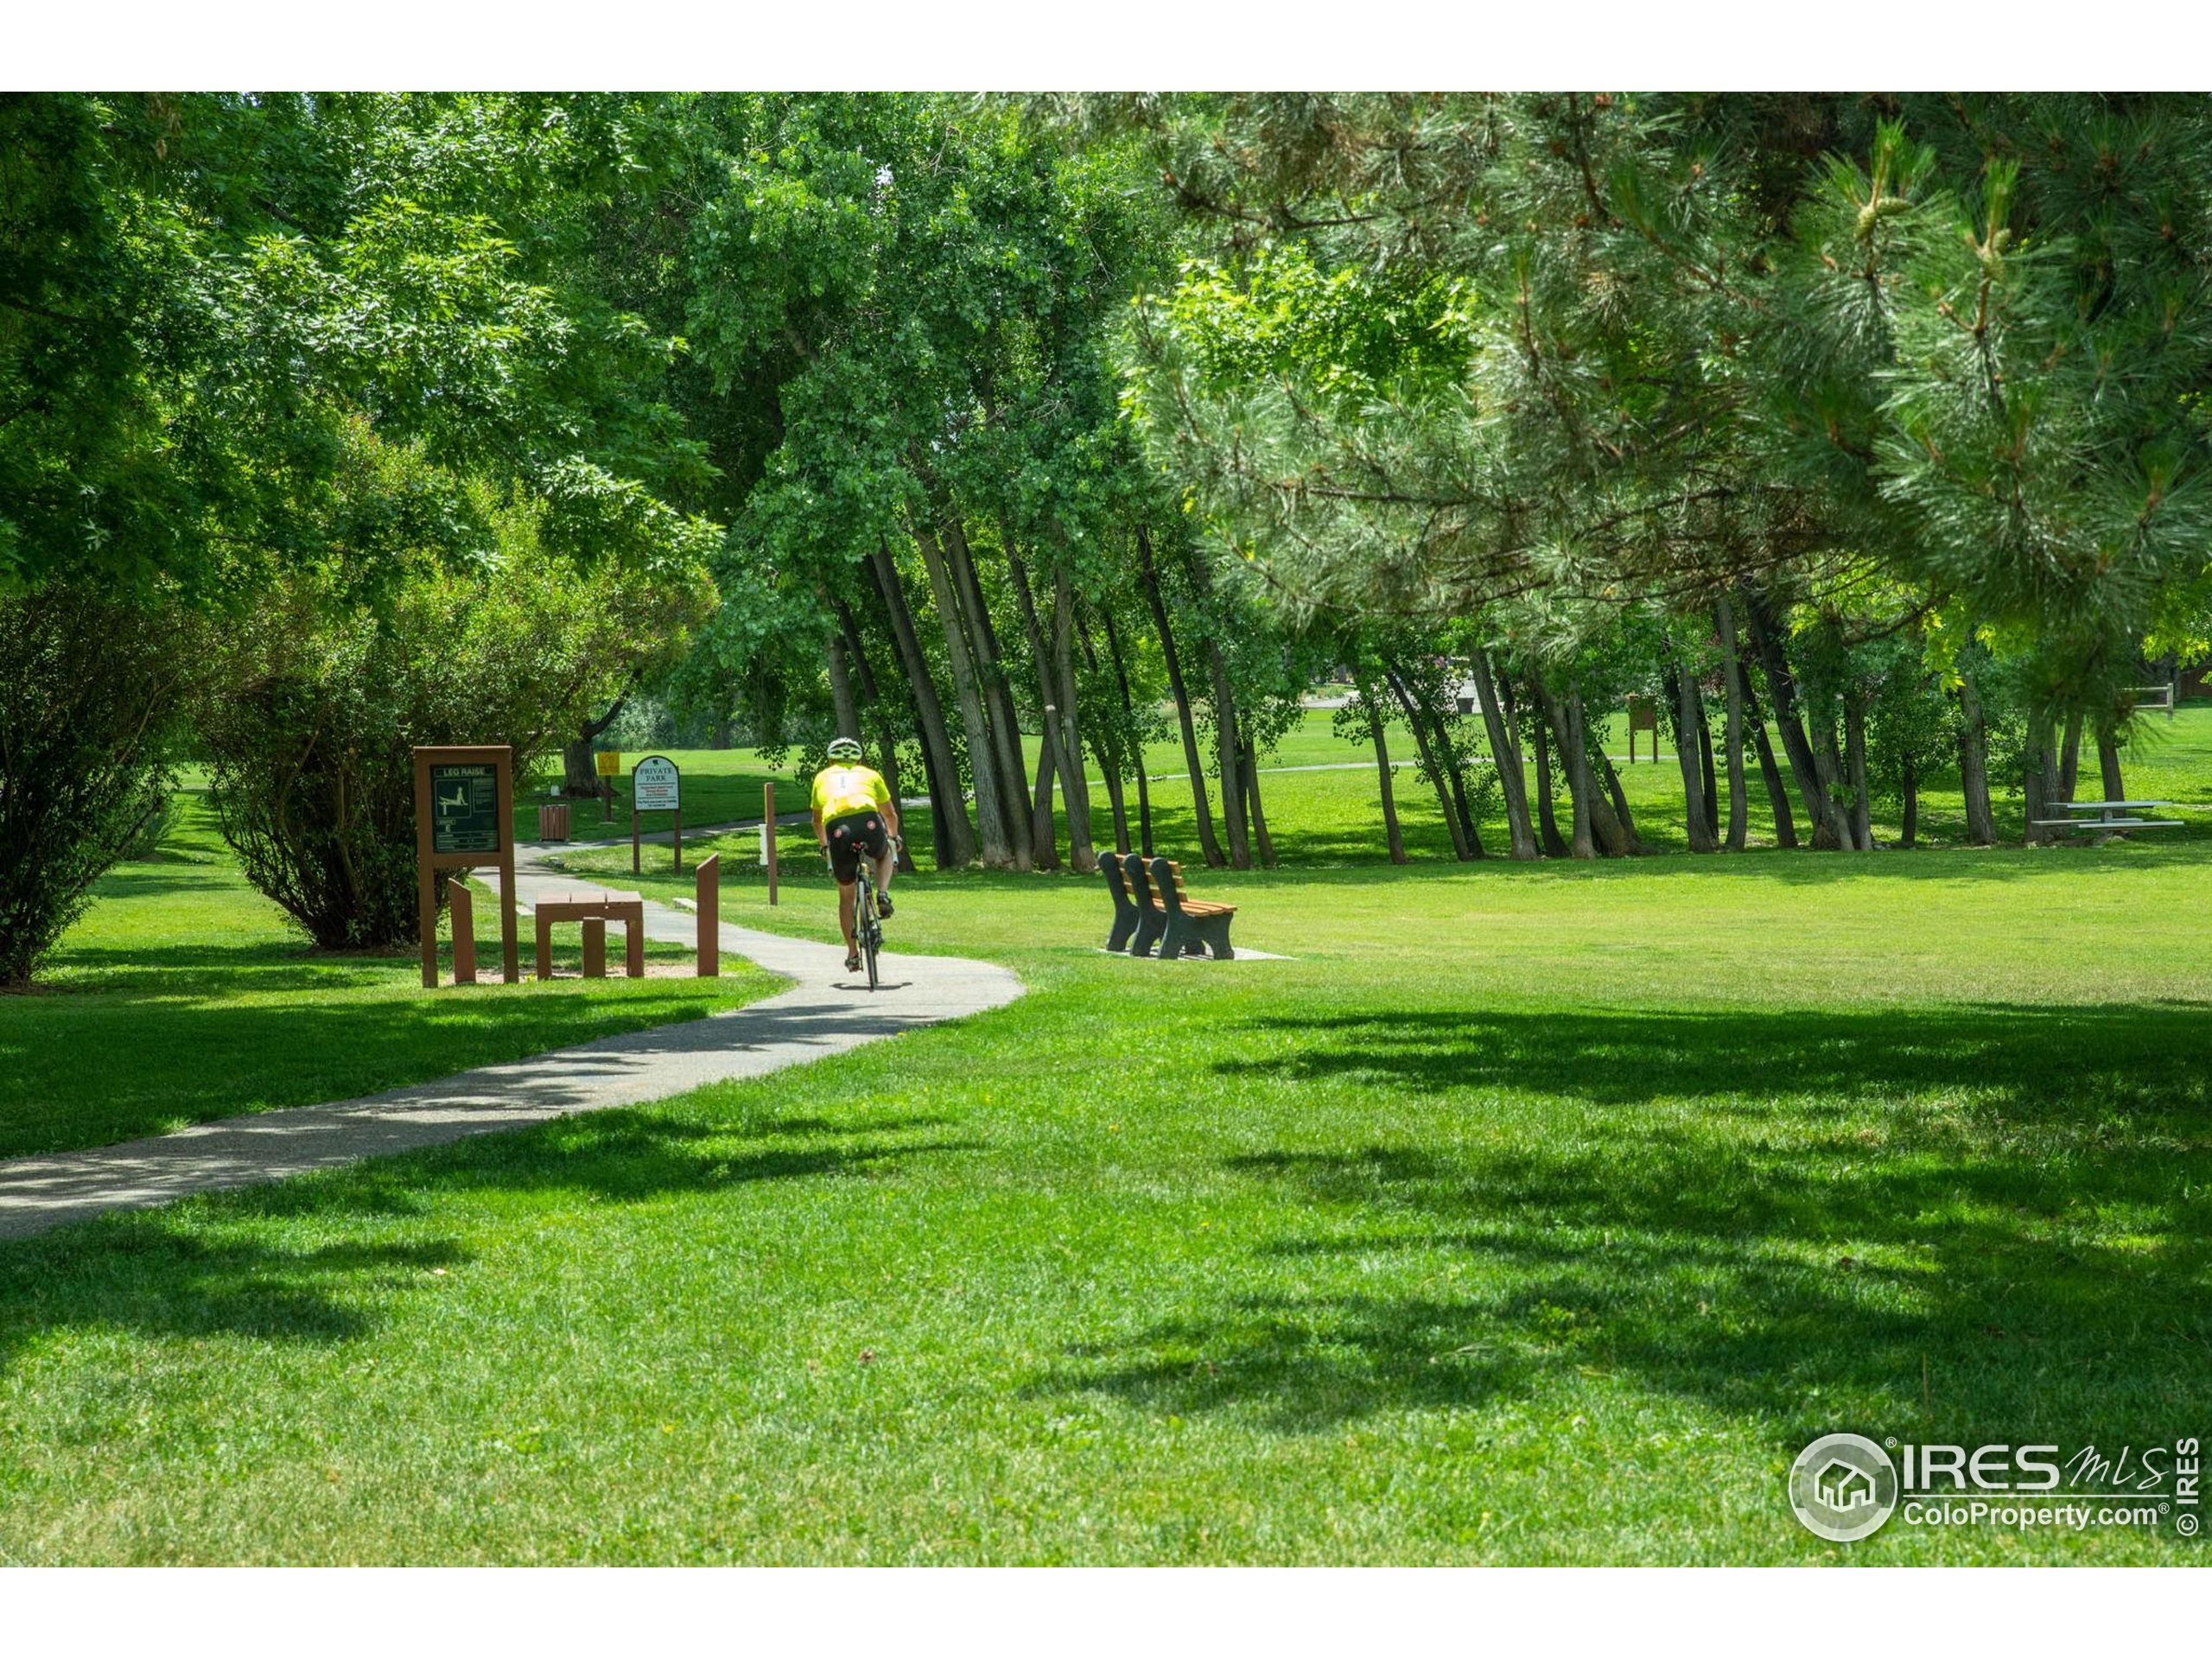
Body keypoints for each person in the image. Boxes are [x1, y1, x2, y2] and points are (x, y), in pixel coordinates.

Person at [810, 735, 900, 972]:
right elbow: (890, 815)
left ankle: (852, 954)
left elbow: (817, 820)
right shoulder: (870, 774)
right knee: (886, 851)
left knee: (846, 895)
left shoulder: (821, 778)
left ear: (830, 760)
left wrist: (824, 845)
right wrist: (893, 836)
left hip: (837, 828)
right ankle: (882, 894)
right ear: (859, 758)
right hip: (868, 822)